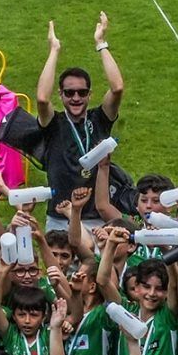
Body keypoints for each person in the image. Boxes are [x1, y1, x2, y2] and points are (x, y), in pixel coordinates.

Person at [33, 14, 125, 229]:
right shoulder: (53, 123)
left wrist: (101, 43)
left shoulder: (100, 119)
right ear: (61, 94)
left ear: (90, 94)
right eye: (70, 92)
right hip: (60, 218)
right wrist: (54, 50)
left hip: (96, 218)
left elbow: (117, 88)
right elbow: (41, 98)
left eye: (82, 92)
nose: (76, 98)